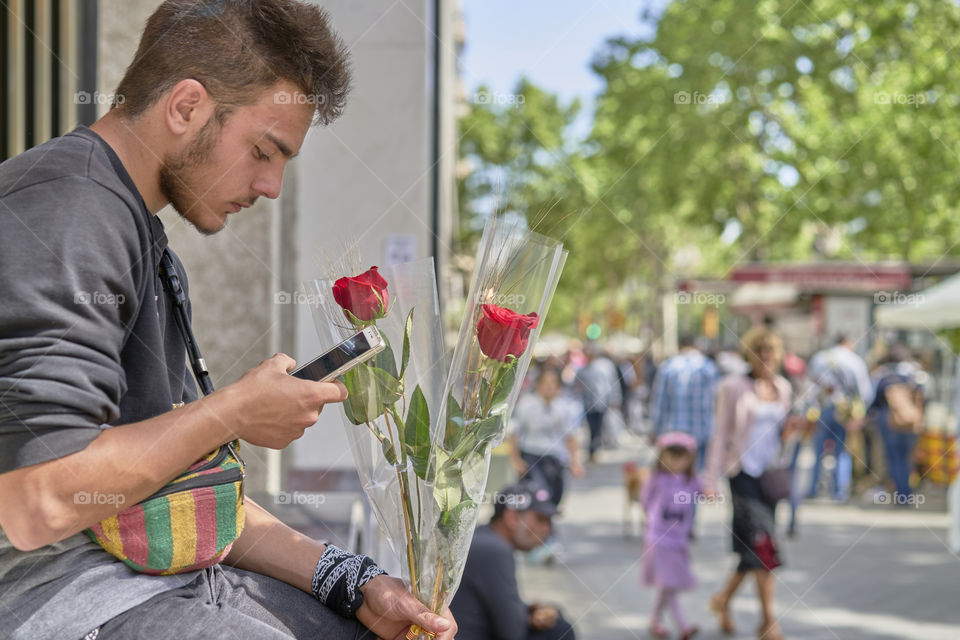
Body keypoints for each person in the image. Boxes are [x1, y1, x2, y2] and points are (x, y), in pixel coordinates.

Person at [0, 3, 456, 640]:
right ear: (186, 107)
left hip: (157, 581)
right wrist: (231, 412)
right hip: (64, 602)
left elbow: (179, 496)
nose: (270, 186)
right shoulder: (68, 213)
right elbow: (35, 500)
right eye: (264, 151)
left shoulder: (138, 236)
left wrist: (352, 580)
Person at [703, 326, 802, 640]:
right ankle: (768, 621)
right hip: (742, 472)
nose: (767, 358)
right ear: (751, 354)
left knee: (756, 550)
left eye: (772, 352)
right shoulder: (733, 386)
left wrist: (793, 432)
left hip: (770, 475)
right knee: (764, 543)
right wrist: (710, 479)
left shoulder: (783, 388)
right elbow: (719, 433)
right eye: (761, 352)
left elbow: (783, 435)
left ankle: (723, 600)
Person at [450, 484, 576, 640]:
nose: (547, 529)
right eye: (541, 519)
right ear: (512, 518)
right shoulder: (494, 550)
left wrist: (529, 611)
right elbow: (513, 633)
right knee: (559, 629)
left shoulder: (482, 537)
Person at [641, 432, 701, 640]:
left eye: (681, 455)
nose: (676, 460)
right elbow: (645, 500)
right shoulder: (657, 478)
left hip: (679, 540)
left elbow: (706, 492)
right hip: (658, 538)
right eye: (671, 455)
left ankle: (654, 620)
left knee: (667, 584)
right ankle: (683, 625)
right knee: (669, 584)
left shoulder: (691, 481)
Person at [807, 335, 875, 502]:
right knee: (842, 451)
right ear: (848, 343)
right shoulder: (855, 361)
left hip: (821, 408)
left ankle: (814, 489)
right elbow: (865, 392)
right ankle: (839, 491)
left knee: (818, 450)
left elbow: (809, 386)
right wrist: (860, 412)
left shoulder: (820, 358)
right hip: (845, 411)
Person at [509, 367, 585, 508]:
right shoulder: (527, 404)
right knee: (538, 496)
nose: (549, 387)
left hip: (555, 459)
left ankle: (546, 524)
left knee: (555, 496)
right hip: (532, 457)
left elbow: (570, 437)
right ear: (538, 384)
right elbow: (514, 432)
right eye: (546, 382)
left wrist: (575, 461)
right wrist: (515, 459)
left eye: (553, 383)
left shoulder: (563, 407)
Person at [650, 334, 720, 470]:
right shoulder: (708, 367)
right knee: (697, 476)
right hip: (702, 432)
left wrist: (655, 429)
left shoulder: (668, 367)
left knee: (675, 476)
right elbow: (716, 400)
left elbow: (659, 401)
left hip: (673, 432)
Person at [870, 346, 926, 501]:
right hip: (910, 421)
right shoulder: (914, 374)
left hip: (889, 421)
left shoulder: (883, 376)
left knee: (894, 458)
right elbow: (924, 396)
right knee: (907, 458)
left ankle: (901, 494)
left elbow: (874, 402)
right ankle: (907, 492)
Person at [574, 343, 622, 461]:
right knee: (591, 427)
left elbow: (613, 382)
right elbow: (576, 386)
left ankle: (594, 448)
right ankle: (593, 449)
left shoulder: (605, 366)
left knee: (598, 427)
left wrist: (615, 398)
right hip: (588, 404)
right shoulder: (582, 370)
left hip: (602, 403)